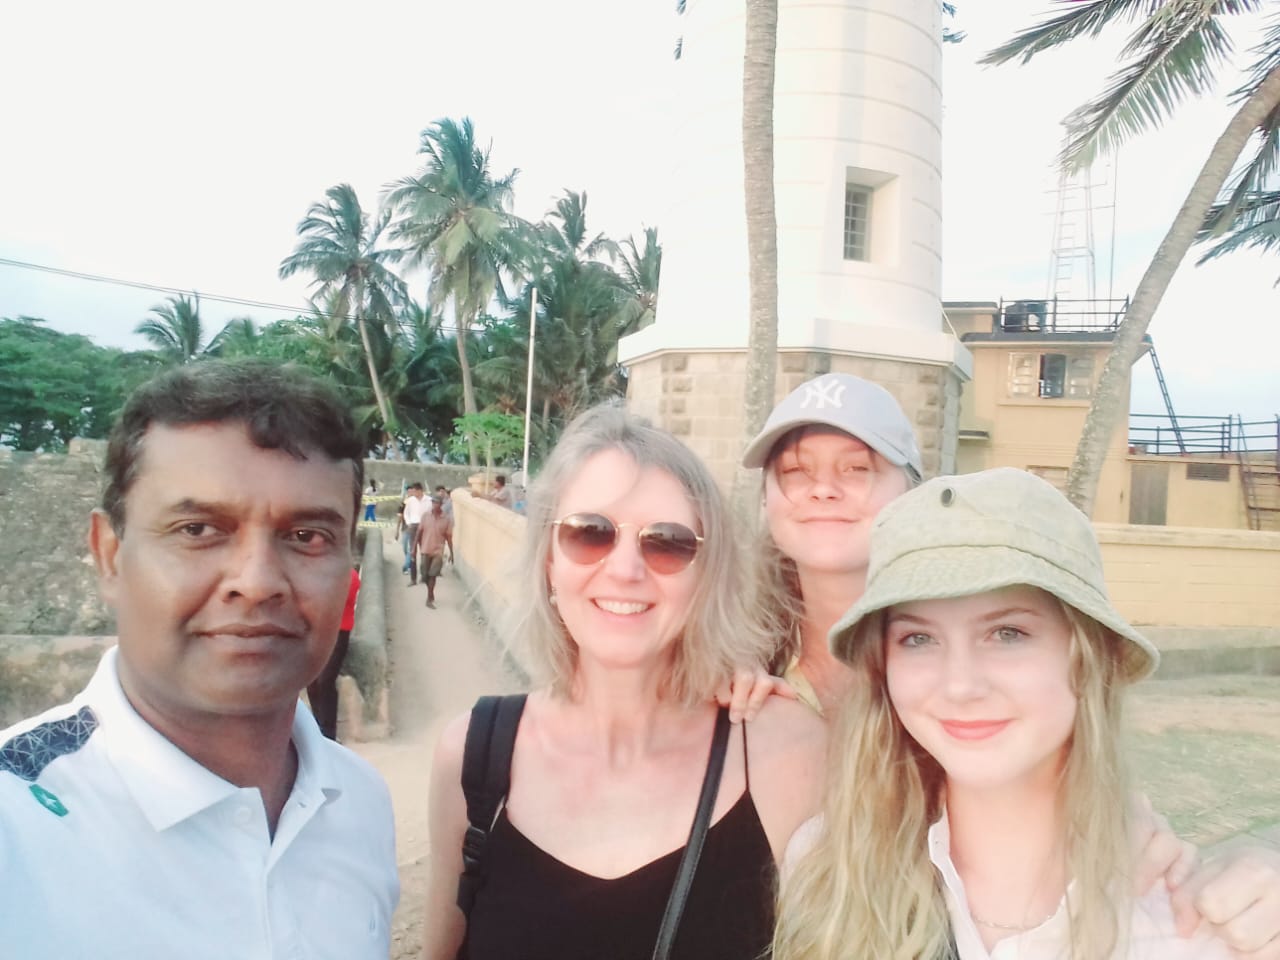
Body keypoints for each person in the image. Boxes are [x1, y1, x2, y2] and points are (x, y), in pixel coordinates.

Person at [739, 373, 1280, 948]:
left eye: (1007, 633)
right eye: (917, 639)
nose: (960, 684)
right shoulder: (732, 678)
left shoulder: (1169, 921)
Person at [0, 359, 398, 958]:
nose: (257, 582)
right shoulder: (15, 829)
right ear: (109, 555)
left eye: (307, 537)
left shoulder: (360, 802)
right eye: (197, 530)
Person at [421, 404, 825, 960]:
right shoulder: (473, 757)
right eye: (590, 533)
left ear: (706, 574)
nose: (626, 569)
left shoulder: (784, 753)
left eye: (668, 542)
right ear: (548, 560)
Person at [308, 565, 361, 739]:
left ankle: (329, 733)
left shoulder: (351, 576)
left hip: (339, 633)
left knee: (325, 681)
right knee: (312, 681)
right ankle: (317, 727)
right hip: (318, 631)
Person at [414, 495, 454, 609]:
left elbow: (449, 537)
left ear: (441, 504)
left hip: (438, 551)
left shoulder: (446, 519)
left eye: (437, 503)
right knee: (425, 574)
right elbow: (419, 533)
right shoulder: (425, 516)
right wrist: (413, 549)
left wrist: (452, 553)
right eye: (433, 503)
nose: (435, 505)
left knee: (433, 575)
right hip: (425, 549)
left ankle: (429, 597)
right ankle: (430, 592)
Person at [402, 482, 427, 584]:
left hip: (424, 526)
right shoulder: (410, 501)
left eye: (415, 491)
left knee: (424, 552)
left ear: (420, 491)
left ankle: (424, 576)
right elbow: (406, 513)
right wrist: (409, 523)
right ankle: (413, 578)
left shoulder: (428, 501)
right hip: (413, 526)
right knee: (413, 552)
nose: (414, 493)